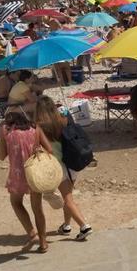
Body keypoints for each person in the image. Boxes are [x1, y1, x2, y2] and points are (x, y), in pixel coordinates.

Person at [34, 97, 93, 241]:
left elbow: (37, 147)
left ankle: (84, 226)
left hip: (59, 167)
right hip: (72, 163)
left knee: (68, 199)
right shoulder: (62, 119)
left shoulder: (39, 126)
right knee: (69, 197)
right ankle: (66, 225)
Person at [0, 110, 55, 253]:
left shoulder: (5, 129)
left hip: (17, 174)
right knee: (38, 208)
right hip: (34, 173)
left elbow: (1, 155)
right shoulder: (35, 128)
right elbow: (49, 149)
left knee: (16, 203)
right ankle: (43, 242)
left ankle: (31, 233)